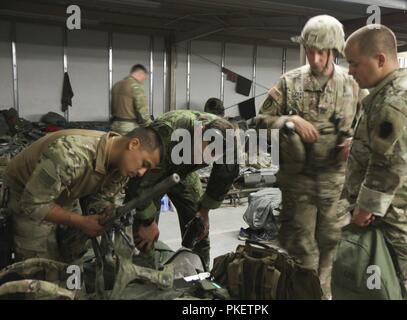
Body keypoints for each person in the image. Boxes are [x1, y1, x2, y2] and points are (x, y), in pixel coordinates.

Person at [256, 15, 363, 298]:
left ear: (334, 51)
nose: (315, 59)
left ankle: (325, 293)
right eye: (310, 51)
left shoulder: (351, 84)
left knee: (333, 244)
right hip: (298, 183)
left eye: (321, 53)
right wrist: (289, 120)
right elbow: (260, 121)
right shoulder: (289, 82)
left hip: (335, 183)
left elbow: (366, 125)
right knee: (300, 249)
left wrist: (355, 140)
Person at [344, 24, 407, 296]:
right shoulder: (385, 94)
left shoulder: (395, 98)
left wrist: (364, 208)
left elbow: (392, 164)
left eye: (354, 63)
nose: (350, 71)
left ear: (380, 59)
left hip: (392, 222)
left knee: (387, 290)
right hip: (387, 217)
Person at [3, 127, 162, 263]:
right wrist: (81, 221)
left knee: (72, 258)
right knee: (41, 268)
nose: (142, 173)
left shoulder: (123, 166)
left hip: (66, 193)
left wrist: (106, 209)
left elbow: (99, 198)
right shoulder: (70, 154)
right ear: (133, 144)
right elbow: (33, 203)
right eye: (144, 164)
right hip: (25, 194)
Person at [127, 110, 240, 268]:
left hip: (185, 171)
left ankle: (199, 270)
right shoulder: (166, 131)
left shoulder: (228, 142)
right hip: (154, 167)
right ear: (200, 131)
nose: (203, 160)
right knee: (145, 228)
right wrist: (147, 221)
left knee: (198, 224)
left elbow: (224, 176)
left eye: (210, 157)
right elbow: (138, 180)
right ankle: (145, 268)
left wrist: (205, 210)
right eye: (202, 153)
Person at [111, 64, 152, 135]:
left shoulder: (117, 85)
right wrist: (150, 125)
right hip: (129, 127)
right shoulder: (135, 86)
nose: (143, 81)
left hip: (115, 125)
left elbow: (112, 107)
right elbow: (141, 109)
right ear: (140, 73)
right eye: (144, 78)